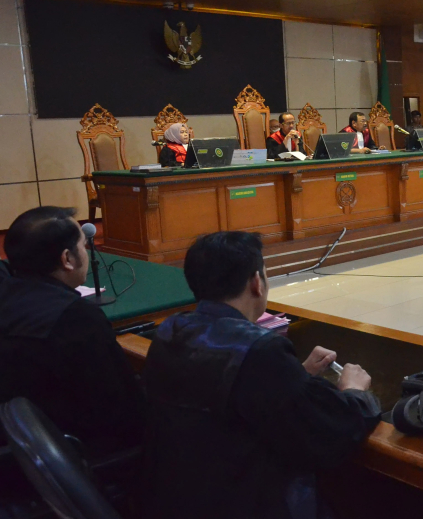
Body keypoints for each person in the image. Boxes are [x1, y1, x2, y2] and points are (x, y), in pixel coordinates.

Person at [141, 231, 381, 519]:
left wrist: (298, 375)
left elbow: (226, 398)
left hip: (175, 497)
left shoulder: (170, 330)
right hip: (244, 500)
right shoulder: (260, 350)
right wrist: (355, 393)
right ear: (257, 282)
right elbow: (322, 433)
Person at [0, 207, 145, 458]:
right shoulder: (76, 318)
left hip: (20, 447)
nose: (86, 253)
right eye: (83, 246)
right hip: (77, 453)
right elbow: (121, 410)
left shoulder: (6, 296)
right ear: (67, 259)